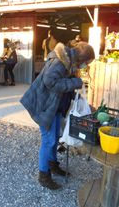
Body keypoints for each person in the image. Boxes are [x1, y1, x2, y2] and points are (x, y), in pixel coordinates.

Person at [20, 41, 95, 190]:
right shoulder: (60, 62)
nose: (86, 66)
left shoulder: (70, 63)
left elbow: (64, 84)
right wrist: (75, 82)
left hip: (54, 107)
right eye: (87, 63)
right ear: (81, 59)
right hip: (43, 105)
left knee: (54, 138)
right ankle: (43, 175)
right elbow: (50, 82)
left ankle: (52, 165)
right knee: (48, 140)